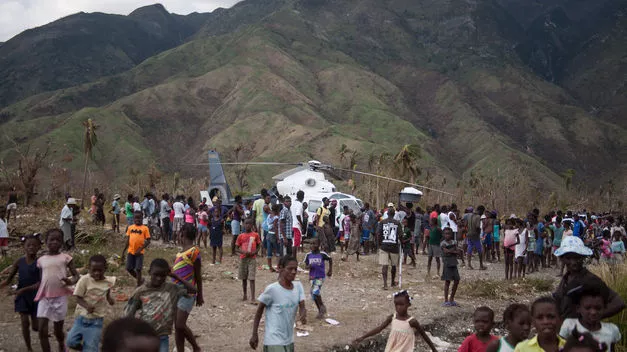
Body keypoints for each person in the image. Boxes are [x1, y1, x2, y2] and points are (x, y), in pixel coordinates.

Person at [125, 258, 197, 352]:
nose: (159, 278)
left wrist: (176, 276)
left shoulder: (171, 289)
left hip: (162, 337)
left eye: (163, 275)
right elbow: (128, 312)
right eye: (156, 275)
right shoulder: (141, 291)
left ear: (167, 274)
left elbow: (193, 290)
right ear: (149, 272)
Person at [553, 236, 625, 320]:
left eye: (577, 257)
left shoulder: (591, 280)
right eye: (568, 258)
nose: (573, 262)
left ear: (583, 257)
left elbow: (619, 303)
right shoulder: (566, 278)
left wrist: (592, 317)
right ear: (562, 259)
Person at [35, 228, 80, 352]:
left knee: (58, 330)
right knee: (42, 330)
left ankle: (61, 344)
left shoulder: (65, 258)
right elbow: (41, 279)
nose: (54, 242)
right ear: (46, 241)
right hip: (45, 297)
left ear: (62, 242)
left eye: (58, 240)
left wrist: (70, 281)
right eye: (51, 240)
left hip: (60, 298)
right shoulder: (41, 260)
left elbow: (76, 276)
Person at [250, 256, 307, 351]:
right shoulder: (272, 289)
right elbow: (259, 311)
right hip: (273, 340)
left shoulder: (298, 286)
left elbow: (302, 306)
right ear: (280, 268)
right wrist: (254, 334)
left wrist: (303, 314)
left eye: (295, 269)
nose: (293, 272)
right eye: (290, 269)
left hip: (289, 340)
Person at [353, 290, 438, 352]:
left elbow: (423, 335)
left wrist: (434, 349)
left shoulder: (412, 321)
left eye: (401, 305)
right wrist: (362, 337)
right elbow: (379, 328)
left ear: (408, 305)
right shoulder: (392, 317)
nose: (398, 307)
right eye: (396, 304)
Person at [0, 234, 42, 351]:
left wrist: (22, 289)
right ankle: (29, 348)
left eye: (34, 245)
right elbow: (8, 280)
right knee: (24, 321)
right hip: (22, 296)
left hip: (35, 295)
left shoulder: (40, 263)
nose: (31, 247)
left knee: (35, 326)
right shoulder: (19, 261)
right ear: (23, 246)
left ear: (39, 247)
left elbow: (40, 283)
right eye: (28, 245)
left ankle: (43, 331)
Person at [66, 255, 115, 352]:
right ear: (89, 269)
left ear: (105, 269)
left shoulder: (108, 281)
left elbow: (107, 289)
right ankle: (83, 348)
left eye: (100, 271)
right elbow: (78, 298)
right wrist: (86, 306)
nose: (97, 273)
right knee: (70, 341)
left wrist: (109, 298)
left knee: (91, 348)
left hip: (96, 321)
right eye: (94, 270)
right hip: (81, 319)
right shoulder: (84, 280)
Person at [559, 285, 621, 351]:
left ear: (604, 308)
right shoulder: (569, 325)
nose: (593, 312)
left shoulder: (612, 329)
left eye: (598, 308)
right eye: (588, 308)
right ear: (578, 308)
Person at [172, 224, 203, 352]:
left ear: (182, 234)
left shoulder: (194, 251)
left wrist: (200, 295)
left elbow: (198, 276)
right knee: (178, 327)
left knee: (179, 324)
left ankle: (196, 347)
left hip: (187, 292)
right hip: (175, 292)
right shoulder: (181, 251)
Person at [304, 238, 333, 319]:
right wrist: (308, 266)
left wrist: (330, 270)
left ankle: (322, 307)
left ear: (319, 245)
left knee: (315, 292)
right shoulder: (308, 255)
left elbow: (330, 259)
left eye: (314, 243)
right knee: (314, 294)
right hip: (312, 277)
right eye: (311, 243)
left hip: (320, 276)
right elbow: (306, 266)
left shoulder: (322, 254)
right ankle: (320, 309)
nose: (312, 245)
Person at [122, 211, 151, 287]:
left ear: (142, 218)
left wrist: (140, 249)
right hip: (130, 251)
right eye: (136, 218)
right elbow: (128, 240)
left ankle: (138, 284)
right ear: (133, 218)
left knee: (138, 269)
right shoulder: (130, 227)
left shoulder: (145, 228)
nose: (137, 220)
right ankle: (140, 279)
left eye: (139, 218)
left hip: (139, 253)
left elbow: (148, 241)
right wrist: (123, 251)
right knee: (129, 268)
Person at [236, 219, 262, 302]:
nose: (247, 225)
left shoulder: (255, 235)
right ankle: (245, 294)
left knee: (251, 278)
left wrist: (255, 252)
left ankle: (253, 297)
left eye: (249, 224)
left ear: (252, 225)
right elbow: (236, 248)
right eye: (246, 223)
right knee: (244, 278)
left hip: (252, 259)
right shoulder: (241, 236)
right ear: (243, 224)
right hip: (243, 258)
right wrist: (243, 252)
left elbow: (259, 245)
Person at [377, 208, 401, 290]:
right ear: (394, 214)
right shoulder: (397, 223)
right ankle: (392, 282)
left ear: (387, 214)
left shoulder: (382, 222)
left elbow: (379, 234)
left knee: (385, 265)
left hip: (384, 246)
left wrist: (379, 244)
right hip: (394, 247)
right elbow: (400, 235)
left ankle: (385, 284)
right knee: (393, 266)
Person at [441, 227, 461, 307]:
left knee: (457, 280)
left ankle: (452, 299)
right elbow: (446, 252)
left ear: (451, 234)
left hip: (453, 263)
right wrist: (454, 251)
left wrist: (451, 251)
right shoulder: (443, 243)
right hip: (447, 263)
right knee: (447, 282)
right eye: (446, 234)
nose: (447, 235)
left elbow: (458, 252)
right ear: (443, 234)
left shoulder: (454, 242)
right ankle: (446, 300)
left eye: (449, 233)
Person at [467, 206, 487, 270]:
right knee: (479, 250)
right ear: (481, 210)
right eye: (482, 212)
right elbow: (477, 226)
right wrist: (479, 233)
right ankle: (481, 265)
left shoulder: (469, 215)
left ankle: (469, 264)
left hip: (469, 234)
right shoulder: (478, 216)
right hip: (475, 235)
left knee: (469, 248)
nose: (482, 213)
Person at [265, 204, 281, 272]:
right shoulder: (276, 218)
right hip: (274, 235)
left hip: (268, 234)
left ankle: (270, 267)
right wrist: (278, 238)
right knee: (277, 252)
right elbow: (275, 227)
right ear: (277, 210)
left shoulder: (269, 215)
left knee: (269, 251)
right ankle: (278, 267)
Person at [291, 190, 305, 257]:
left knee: (293, 242)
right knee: (295, 244)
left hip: (292, 224)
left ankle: (292, 258)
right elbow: (298, 215)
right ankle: (294, 258)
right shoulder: (299, 204)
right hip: (297, 225)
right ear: (303, 197)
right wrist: (302, 224)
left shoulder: (293, 203)